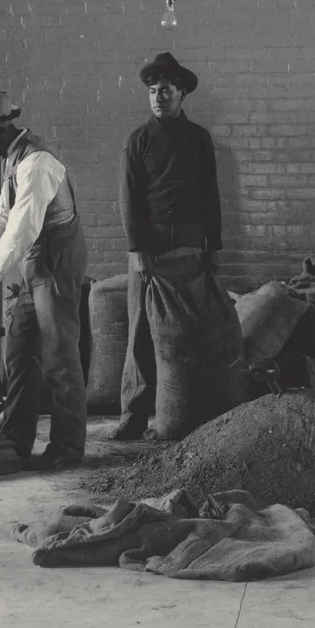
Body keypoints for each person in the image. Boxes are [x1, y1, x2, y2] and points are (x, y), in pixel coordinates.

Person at [0, 90, 88, 471]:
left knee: (59, 357)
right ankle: (15, 441)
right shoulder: (14, 156)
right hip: (34, 263)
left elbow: (22, 228)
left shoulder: (37, 162)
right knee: (20, 353)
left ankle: (68, 449)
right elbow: (3, 213)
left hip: (55, 261)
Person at [110, 52, 224, 441]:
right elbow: (129, 200)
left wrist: (214, 246)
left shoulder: (199, 139)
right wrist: (137, 249)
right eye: (154, 91)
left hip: (191, 249)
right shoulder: (138, 141)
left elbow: (211, 194)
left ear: (182, 96)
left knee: (189, 329)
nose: (159, 98)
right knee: (142, 331)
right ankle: (134, 414)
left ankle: (186, 411)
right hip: (150, 252)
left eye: (167, 91)